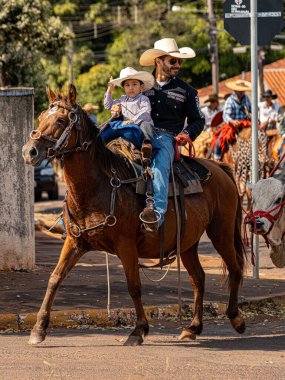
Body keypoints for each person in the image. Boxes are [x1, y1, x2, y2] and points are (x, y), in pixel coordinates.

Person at [139, 37, 205, 231]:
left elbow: (198, 120)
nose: (178, 65)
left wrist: (186, 134)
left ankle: (156, 216)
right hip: (138, 132)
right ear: (158, 61)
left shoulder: (187, 91)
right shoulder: (140, 85)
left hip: (166, 137)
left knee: (159, 166)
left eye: (179, 61)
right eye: (173, 61)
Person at [102, 67, 155, 162]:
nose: (131, 88)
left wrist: (133, 121)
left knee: (146, 124)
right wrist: (110, 90)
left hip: (139, 125)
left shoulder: (143, 99)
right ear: (124, 88)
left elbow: (145, 112)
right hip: (126, 126)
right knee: (108, 126)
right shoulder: (122, 99)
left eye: (134, 84)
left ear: (141, 87)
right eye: (127, 85)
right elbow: (107, 106)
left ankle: (146, 145)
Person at [213, 79, 252, 160]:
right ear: (235, 90)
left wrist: (252, 117)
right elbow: (226, 115)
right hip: (232, 125)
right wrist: (232, 121)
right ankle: (217, 158)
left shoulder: (246, 99)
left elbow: (251, 111)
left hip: (246, 125)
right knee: (219, 140)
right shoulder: (230, 100)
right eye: (240, 90)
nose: (242, 92)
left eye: (243, 90)